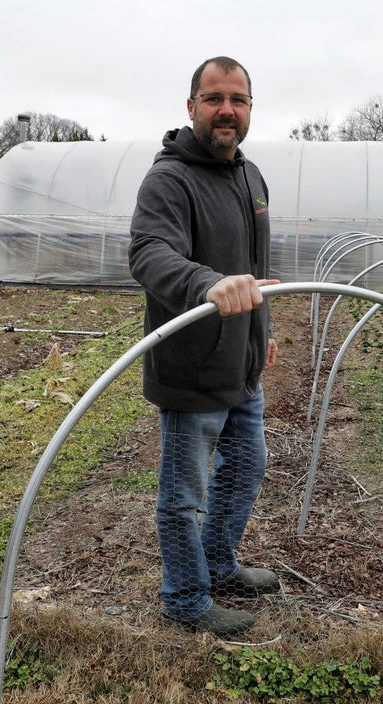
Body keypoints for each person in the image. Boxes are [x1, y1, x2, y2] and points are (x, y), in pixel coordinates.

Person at [128, 56, 280, 637]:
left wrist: (262, 335)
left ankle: (218, 564)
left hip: (241, 360)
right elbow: (149, 253)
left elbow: (258, 271)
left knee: (247, 464)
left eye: (238, 100)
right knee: (184, 489)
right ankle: (185, 597)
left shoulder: (251, 176)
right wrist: (206, 284)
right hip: (191, 364)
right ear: (191, 105)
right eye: (214, 98)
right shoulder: (170, 179)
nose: (227, 110)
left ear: (249, 110)